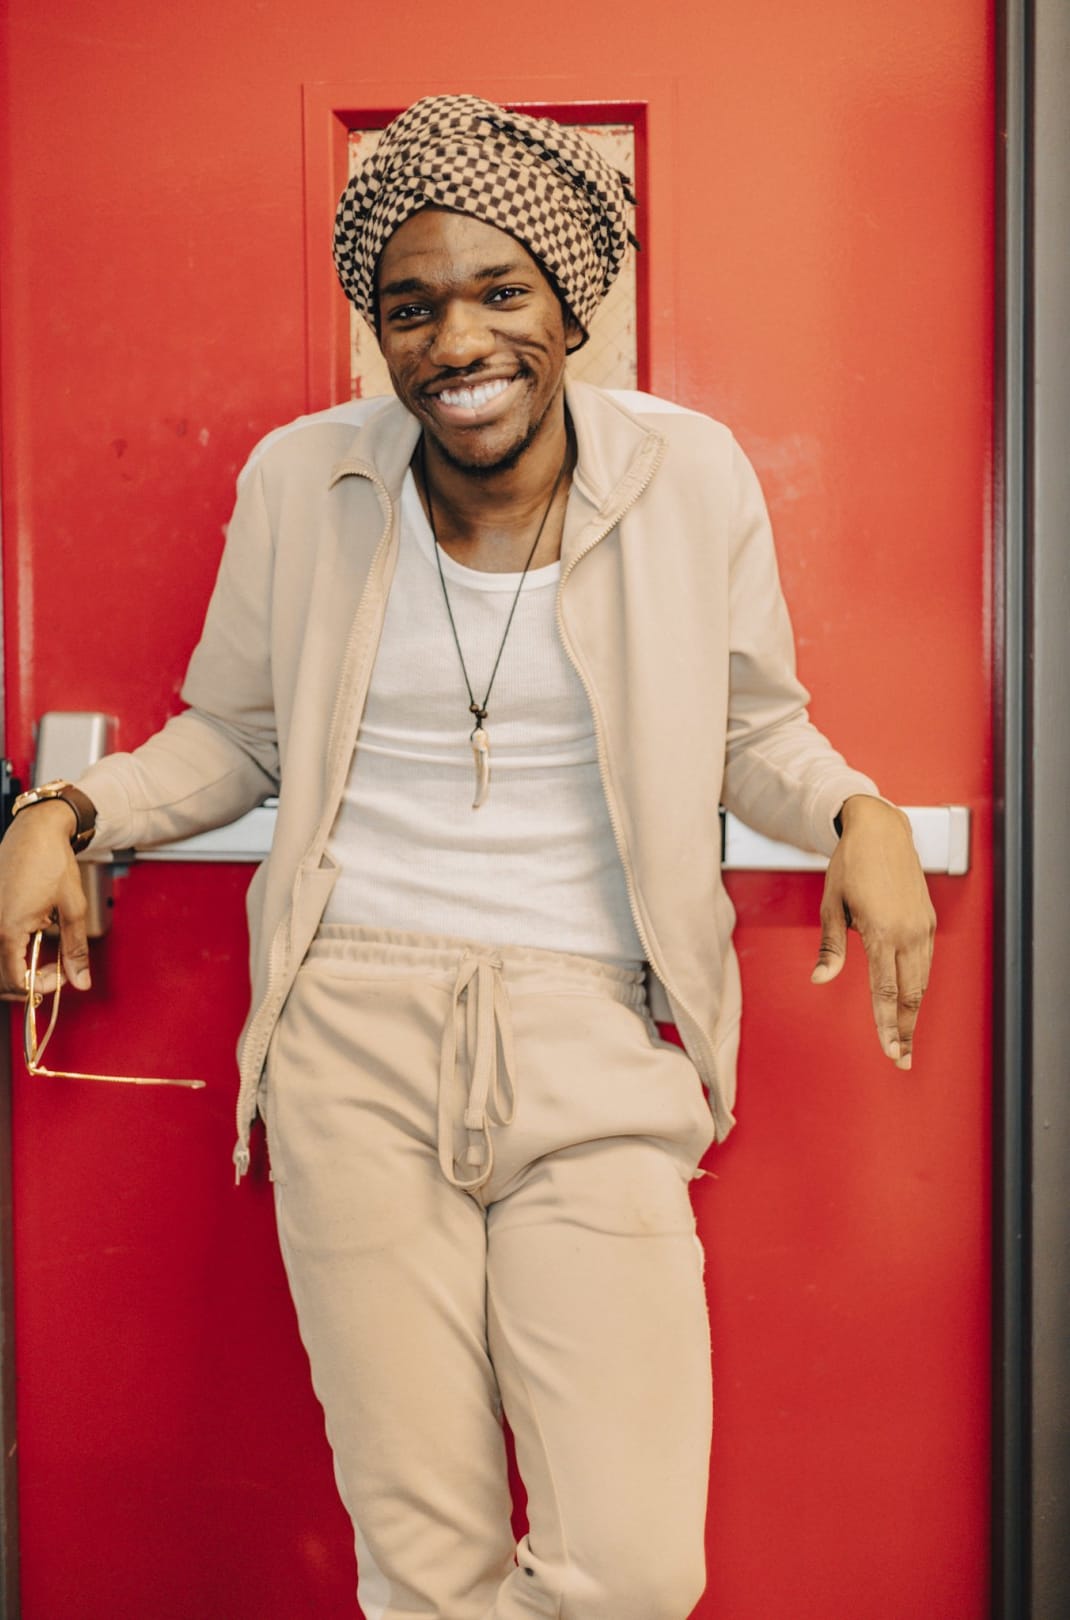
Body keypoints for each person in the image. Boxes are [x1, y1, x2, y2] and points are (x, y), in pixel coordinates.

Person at [0, 95, 935, 1620]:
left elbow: (752, 731)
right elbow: (233, 734)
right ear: (377, 328)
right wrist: (63, 813)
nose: (456, 341)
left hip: (591, 1035)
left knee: (631, 1570)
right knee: (423, 1567)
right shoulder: (303, 481)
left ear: (570, 305)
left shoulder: (689, 478)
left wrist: (857, 815)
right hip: (350, 1040)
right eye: (410, 306)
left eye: (499, 293)